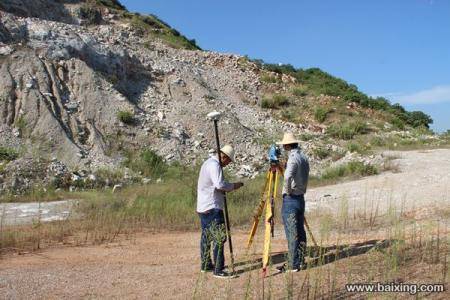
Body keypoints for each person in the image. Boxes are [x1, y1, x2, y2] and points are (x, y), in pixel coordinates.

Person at [197, 144, 244, 278]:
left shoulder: (207, 163)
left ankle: (206, 265)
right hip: (212, 206)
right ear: (224, 157)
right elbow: (219, 185)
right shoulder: (214, 165)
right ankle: (218, 269)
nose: (228, 164)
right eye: (228, 161)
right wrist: (234, 186)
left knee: (206, 237)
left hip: (203, 206)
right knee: (219, 237)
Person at [276, 132, 310, 272]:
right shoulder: (303, 157)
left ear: (289, 145)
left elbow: (288, 176)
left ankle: (293, 264)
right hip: (301, 198)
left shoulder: (293, 158)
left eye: (284, 144)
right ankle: (300, 260)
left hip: (291, 199)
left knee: (291, 232)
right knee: (300, 231)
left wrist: (288, 191)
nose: (283, 146)